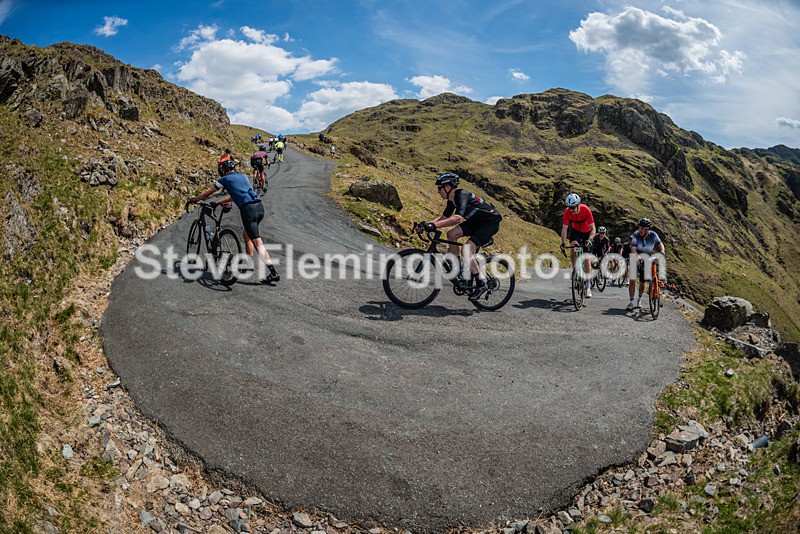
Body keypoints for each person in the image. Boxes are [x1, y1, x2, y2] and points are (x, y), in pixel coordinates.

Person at [189, 159, 280, 284]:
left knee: (258, 242)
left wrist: (195, 199)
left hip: (248, 210)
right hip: (259, 207)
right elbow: (234, 195)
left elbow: (207, 193)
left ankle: (273, 272)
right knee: (246, 233)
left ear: (224, 171)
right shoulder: (242, 176)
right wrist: (217, 202)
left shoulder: (224, 180)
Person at [420, 172, 502, 301]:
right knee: (451, 234)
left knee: (466, 249)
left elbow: (457, 218)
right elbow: (444, 218)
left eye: (439, 188)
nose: (438, 191)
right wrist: (428, 224)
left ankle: (481, 284)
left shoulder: (461, 194)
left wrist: (434, 226)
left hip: (489, 223)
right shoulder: (451, 201)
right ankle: (457, 270)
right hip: (476, 223)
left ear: (448, 187)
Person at [560, 193, 597, 297]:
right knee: (573, 248)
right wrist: (563, 242)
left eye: (573, 207)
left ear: (578, 204)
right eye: (569, 207)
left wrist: (589, 240)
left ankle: (588, 285)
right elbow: (564, 228)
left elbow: (593, 229)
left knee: (586, 259)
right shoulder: (567, 212)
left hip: (587, 233)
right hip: (576, 231)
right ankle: (576, 269)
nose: (571, 210)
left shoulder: (586, 210)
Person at [627, 217, 665, 310]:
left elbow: (660, 244)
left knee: (642, 283)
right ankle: (631, 302)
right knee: (632, 281)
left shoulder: (653, 235)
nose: (639, 230)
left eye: (642, 228)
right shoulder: (636, 234)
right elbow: (633, 249)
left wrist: (662, 251)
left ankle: (639, 300)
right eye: (639, 227)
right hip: (635, 256)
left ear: (647, 229)